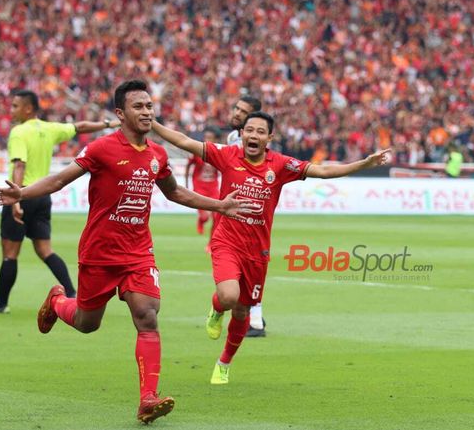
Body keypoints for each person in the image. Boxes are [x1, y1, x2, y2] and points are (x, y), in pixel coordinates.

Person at [0, 80, 254, 423]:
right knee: (87, 324)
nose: (147, 112)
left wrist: (219, 205)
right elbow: (61, 179)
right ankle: (56, 301)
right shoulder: (101, 149)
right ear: (120, 113)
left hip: (138, 252)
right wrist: (21, 193)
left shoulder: (157, 154)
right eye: (138, 107)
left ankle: (147, 400)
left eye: (149, 106)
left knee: (147, 316)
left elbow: (176, 193)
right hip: (100, 252)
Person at [150, 111, 390, 385]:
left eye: (260, 132)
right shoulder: (227, 155)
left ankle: (224, 362)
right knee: (228, 296)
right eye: (249, 130)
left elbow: (322, 171)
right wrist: (153, 124)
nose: (253, 135)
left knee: (242, 312)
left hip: (257, 252)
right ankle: (216, 309)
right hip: (227, 241)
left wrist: (364, 163)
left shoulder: (280, 164)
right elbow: (184, 141)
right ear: (241, 134)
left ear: (269, 138)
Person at [0, 89, 121, 314]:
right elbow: (80, 127)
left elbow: (19, 165)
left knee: (10, 253)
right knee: (45, 250)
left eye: (16, 106)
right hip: (42, 196)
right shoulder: (50, 128)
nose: (12, 109)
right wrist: (108, 124)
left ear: (28, 108)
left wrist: (16, 201)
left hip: (23, 193)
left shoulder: (19, 132)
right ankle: (73, 294)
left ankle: (1, 303)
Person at [224, 95, 269, 337]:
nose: (236, 113)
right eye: (236, 107)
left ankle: (256, 321)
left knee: (252, 269)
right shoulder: (234, 138)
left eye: (243, 111)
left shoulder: (258, 141)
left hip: (254, 214)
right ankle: (255, 317)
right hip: (234, 210)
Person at [185, 128, 220, 238]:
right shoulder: (197, 151)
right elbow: (188, 165)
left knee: (216, 217)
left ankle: (211, 244)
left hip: (213, 187)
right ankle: (201, 220)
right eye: (206, 137)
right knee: (205, 216)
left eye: (210, 137)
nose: (207, 139)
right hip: (199, 186)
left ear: (215, 139)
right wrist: (187, 183)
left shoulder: (219, 152)